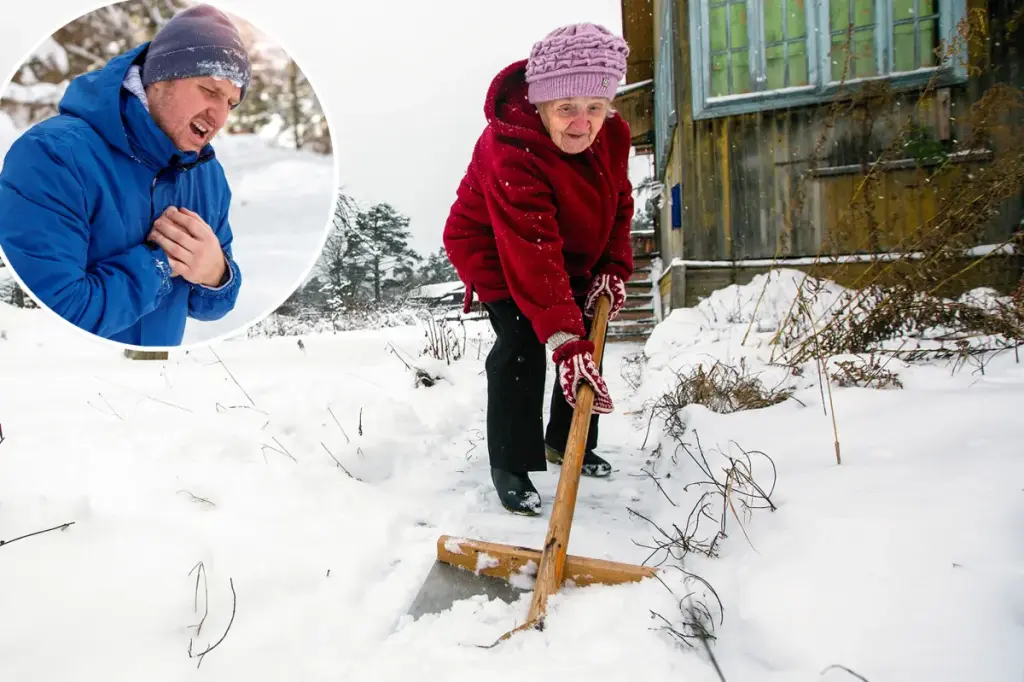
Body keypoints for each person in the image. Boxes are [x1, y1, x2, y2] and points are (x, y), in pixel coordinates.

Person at [443, 23, 634, 516]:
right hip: (497, 246)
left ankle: (567, 441)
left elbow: (619, 203)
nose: (581, 123)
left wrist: (612, 268)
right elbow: (530, 249)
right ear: (542, 103)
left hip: (568, 248)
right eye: (566, 108)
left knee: (587, 336)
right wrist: (563, 339)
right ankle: (511, 462)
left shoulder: (613, 135)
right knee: (527, 341)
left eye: (595, 107)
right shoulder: (509, 147)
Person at [0, 3, 249, 347]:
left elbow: (208, 305)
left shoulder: (207, 175)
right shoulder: (52, 155)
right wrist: (161, 264)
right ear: (160, 79)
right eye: (210, 91)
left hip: (157, 382)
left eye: (231, 103)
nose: (220, 116)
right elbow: (54, 314)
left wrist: (217, 274)